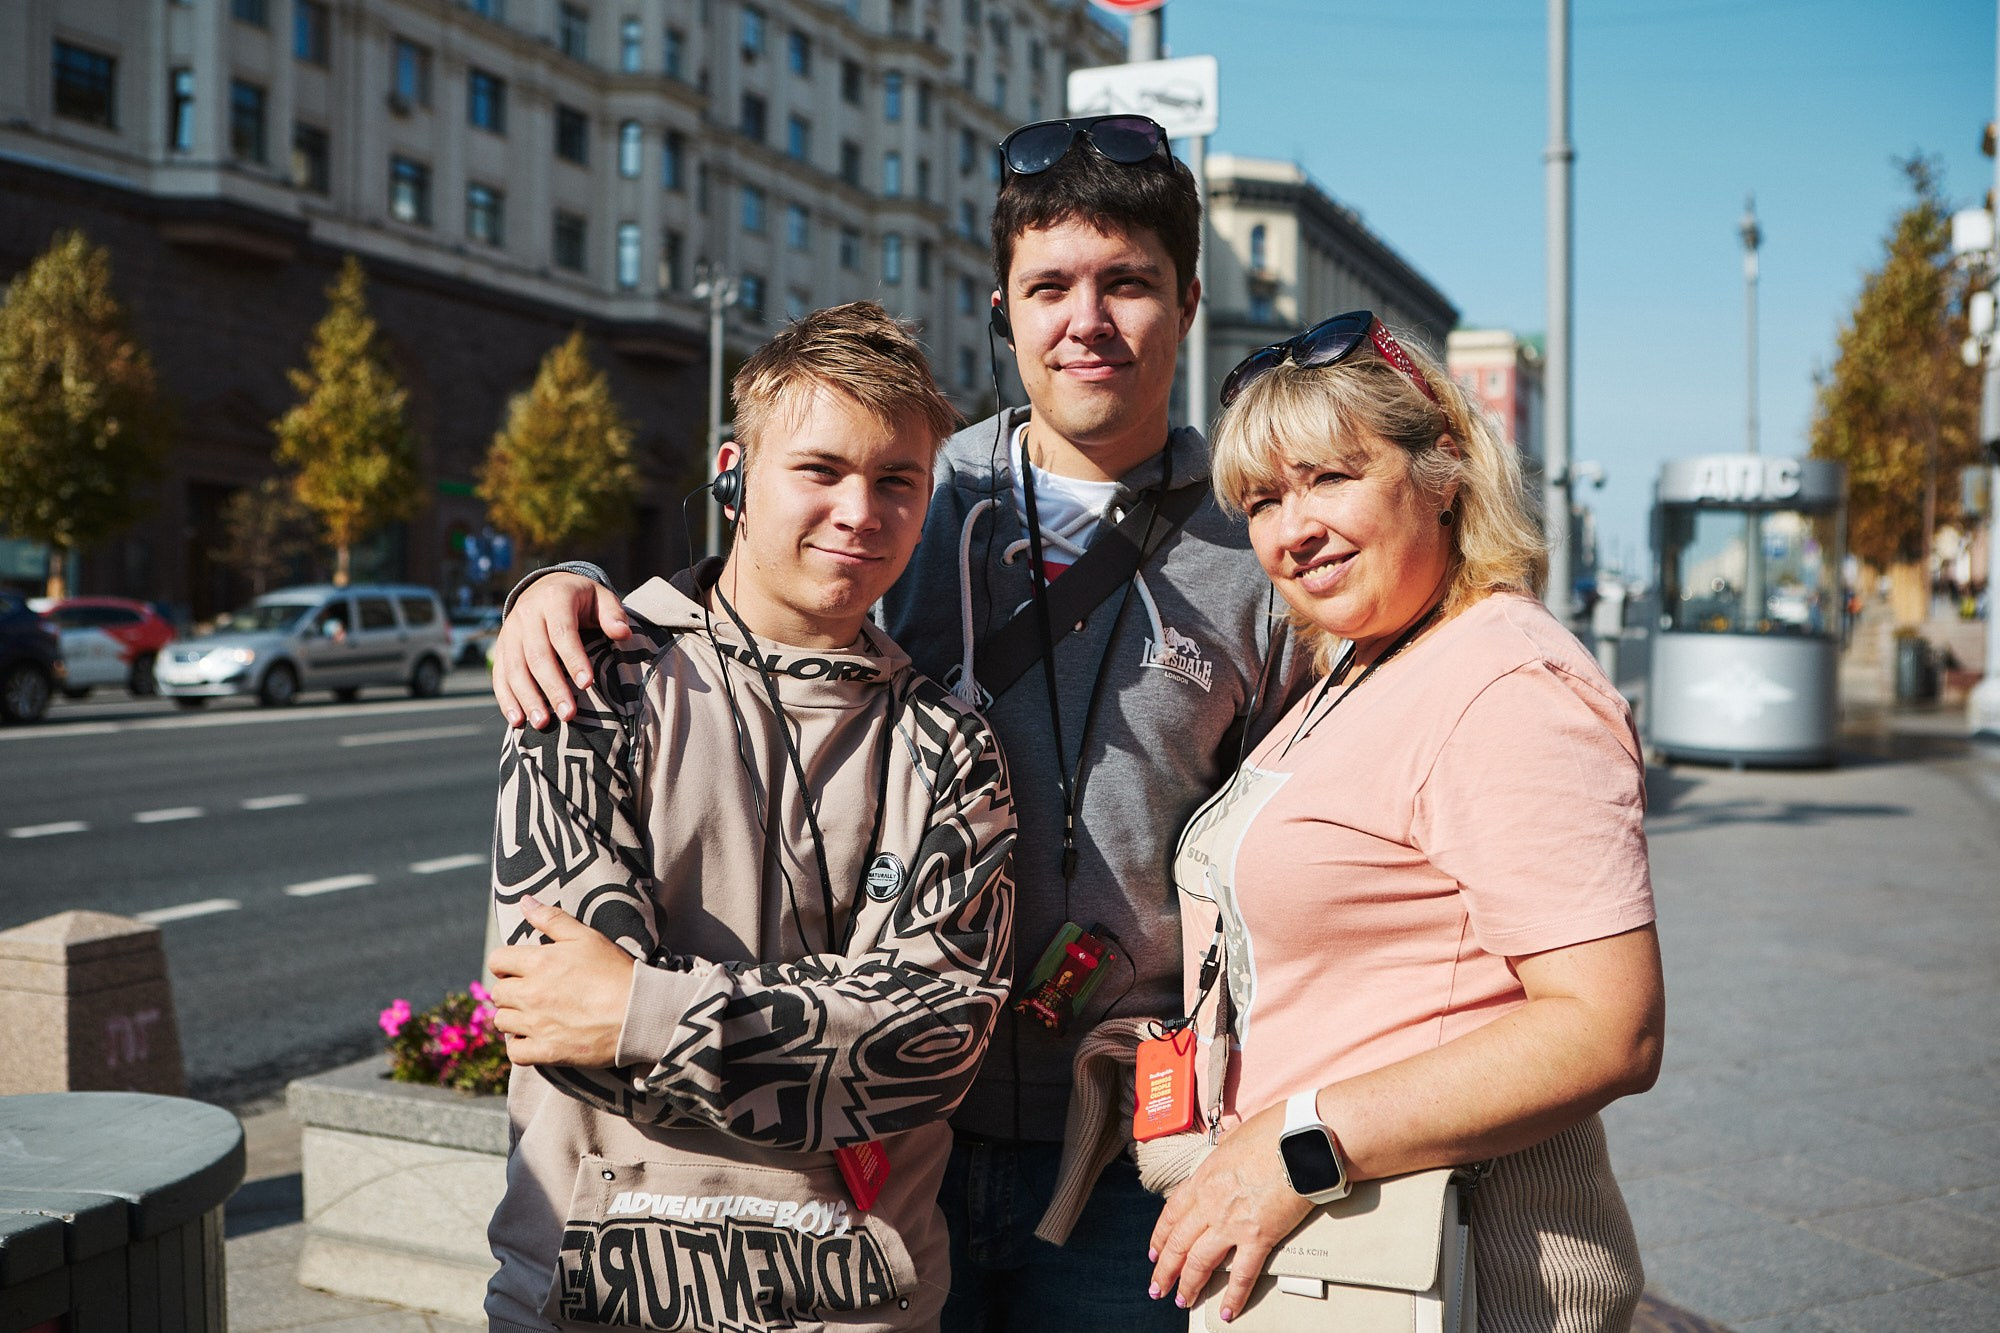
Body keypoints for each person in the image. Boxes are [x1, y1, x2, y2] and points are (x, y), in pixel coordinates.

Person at [488, 115, 1311, 1332]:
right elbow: (761, 577)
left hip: (1123, 1146)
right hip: (871, 1179)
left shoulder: (1265, 537)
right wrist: (550, 588)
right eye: (1050, 287)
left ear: (1186, 302)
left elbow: (1303, 835)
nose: (1085, 320)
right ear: (1004, 307)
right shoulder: (926, 477)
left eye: (1126, 283)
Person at [482, 303, 1017, 1331]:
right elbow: (564, 1021)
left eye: (895, 480)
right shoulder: (587, 682)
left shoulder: (953, 744)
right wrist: (841, 1017)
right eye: (819, 469)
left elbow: (935, 1044)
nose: (860, 510)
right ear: (735, 471)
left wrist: (643, 1008)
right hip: (598, 1299)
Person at [1145, 311, 1664, 1329]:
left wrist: (1296, 1143)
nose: (1290, 529)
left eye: (1330, 477)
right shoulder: (1364, 657)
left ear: (1443, 471)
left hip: (1447, 1275)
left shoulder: (1507, 681)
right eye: (1261, 499)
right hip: (1331, 1262)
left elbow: (1610, 1027)